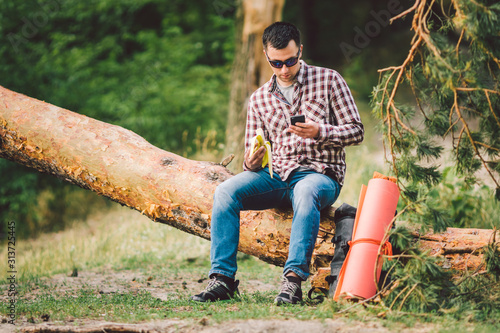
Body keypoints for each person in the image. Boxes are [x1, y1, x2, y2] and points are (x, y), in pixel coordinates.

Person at [191, 22, 364, 305]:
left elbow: (357, 130)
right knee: (225, 192)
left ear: (301, 51)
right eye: (276, 63)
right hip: (276, 176)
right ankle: (222, 280)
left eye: (291, 61)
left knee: (306, 192)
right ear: (265, 56)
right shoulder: (259, 98)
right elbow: (251, 156)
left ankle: (292, 282)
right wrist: (251, 160)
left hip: (319, 174)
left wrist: (320, 131)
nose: (284, 69)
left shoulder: (330, 80)